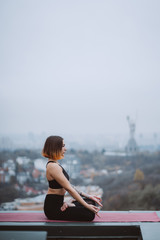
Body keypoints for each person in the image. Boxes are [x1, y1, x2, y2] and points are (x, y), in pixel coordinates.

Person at [42, 135, 102, 221]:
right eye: (63, 146)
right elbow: (69, 189)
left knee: (91, 201)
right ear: (55, 147)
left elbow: (68, 185)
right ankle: (70, 205)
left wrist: (88, 196)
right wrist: (86, 206)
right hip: (54, 209)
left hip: (60, 204)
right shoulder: (53, 166)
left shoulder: (55, 164)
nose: (65, 149)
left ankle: (70, 204)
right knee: (89, 214)